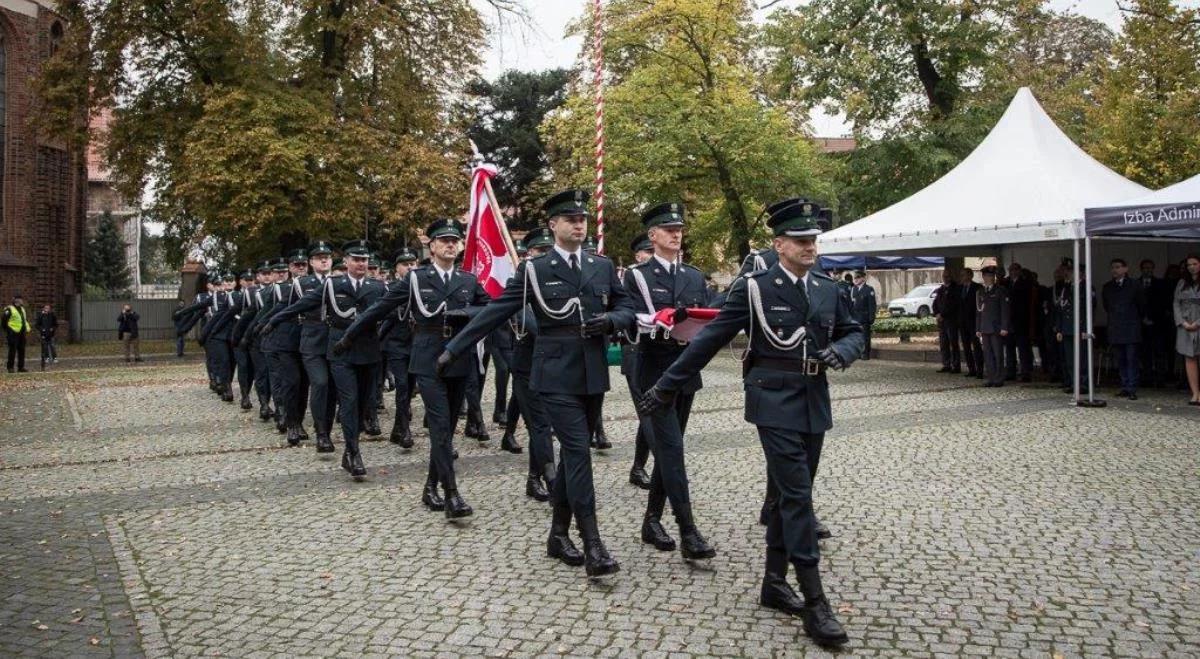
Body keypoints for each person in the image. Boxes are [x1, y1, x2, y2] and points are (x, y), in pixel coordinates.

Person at [636, 198, 862, 648]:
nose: (809, 246)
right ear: (779, 244)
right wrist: (665, 386)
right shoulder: (755, 287)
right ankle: (816, 602)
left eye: (812, 239)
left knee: (786, 494)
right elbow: (709, 339)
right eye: (800, 240)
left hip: (814, 398)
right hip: (771, 397)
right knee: (797, 495)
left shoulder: (827, 286)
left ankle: (774, 582)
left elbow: (855, 330)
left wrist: (845, 350)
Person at [438, 188, 637, 578]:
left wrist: (613, 321)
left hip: (593, 374)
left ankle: (557, 534)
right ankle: (593, 542)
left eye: (582, 220)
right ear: (554, 225)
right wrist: (453, 349)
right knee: (578, 452)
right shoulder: (534, 270)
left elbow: (627, 306)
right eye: (571, 220)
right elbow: (495, 311)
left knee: (572, 460)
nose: (579, 225)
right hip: (553, 375)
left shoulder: (601, 266)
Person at [341, 221, 491, 515]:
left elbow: (489, 308)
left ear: (460, 246)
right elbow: (380, 308)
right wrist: (350, 335)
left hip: (458, 357)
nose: (450, 244)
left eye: (454, 240)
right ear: (432, 246)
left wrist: (465, 312)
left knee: (447, 428)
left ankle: (429, 488)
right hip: (427, 358)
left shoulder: (468, 280)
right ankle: (451, 494)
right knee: (439, 425)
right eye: (443, 240)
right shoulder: (415, 279)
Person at [622, 202, 718, 560]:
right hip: (653, 367)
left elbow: (707, 315)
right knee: (672, 449)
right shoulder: (637, 276)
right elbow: (630, 317)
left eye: (679, 228)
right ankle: (688, 530)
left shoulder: (693, 276)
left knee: (668, 450)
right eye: (668, 229)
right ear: (653, 236)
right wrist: (659, 318)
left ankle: (651, 520)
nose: (676, 234)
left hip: (686, 367)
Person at [268, 240, 386, 478]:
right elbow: (303, 303)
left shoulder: (377, 287)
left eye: (364, 260)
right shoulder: (334, 285)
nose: (361, 263)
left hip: (368, 351)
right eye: (356, 259)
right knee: (347, 399)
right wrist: (274, 320)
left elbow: (393, 310)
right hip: (339, 349)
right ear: (347, 262)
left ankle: (348, 449)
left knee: (363, 402)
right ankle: (352, 451)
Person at [293, 241, 337, 453]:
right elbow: (290, 311)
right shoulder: (302, 284)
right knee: (319, 383)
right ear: (311, 262)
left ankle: (326, 431)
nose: (324, 259)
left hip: (336, 342)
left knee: (332, 389)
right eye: (319, 257)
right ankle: (321, 433)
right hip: (312, 342)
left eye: (327, 256)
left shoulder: (340, 281)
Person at [624, 232, 656, 489]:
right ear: (639, 256)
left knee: (652, 413)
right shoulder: (633, 278)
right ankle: (664, 466)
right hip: (636, 352)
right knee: (647, 412)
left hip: (660, 354)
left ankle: (638, 466)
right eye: (649, 252)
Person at [377, 247, 419, 449]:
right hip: (396, 343)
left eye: (413, 263)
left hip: (416, 344)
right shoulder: (390, 288)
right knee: (402, 386)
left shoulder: (422, 286)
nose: (410, 267)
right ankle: (404, 430)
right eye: (405, 264)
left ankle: (396, 428)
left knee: (409, 388)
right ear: (396, 269)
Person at [1102, 258, 1146, 400]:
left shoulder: (1134, 284)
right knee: (1120, 359)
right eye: (1113, 267)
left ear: (1125, 269)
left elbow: (1141, 305)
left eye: (1118, 267)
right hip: (1116, 327)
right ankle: (1124, 385)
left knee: (1131, 358)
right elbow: (1107, 306)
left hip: (1131, 326)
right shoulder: (1107, 287)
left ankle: (1132, 387)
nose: (1115, 270)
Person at [1054, 263, 1092, 394]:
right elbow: (1060, 309)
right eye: (1069, 272)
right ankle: (1073, 382)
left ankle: (1084, 384)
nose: (1068, 274)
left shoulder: (1086, 287)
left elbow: (1089, 309)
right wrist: (1059, 329)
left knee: (1082, 358)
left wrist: (1085, 328)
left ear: (1080, 273)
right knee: (1070, 359)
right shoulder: (1066, 287)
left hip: (1080, 328)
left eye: (1071, 272)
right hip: (1067, 328)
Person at [975, 266, 1010, 388]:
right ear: (983, 277)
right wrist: (978, 328)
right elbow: (979, 311)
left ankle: (999, 378)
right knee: (988, 355)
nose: (988, 278)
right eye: (986, 276)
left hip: (996, 327)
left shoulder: (1000, 291)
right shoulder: (980, 292)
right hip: (985, 327)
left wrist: (1004, 327)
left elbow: (1005, 310)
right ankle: (991, 377)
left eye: (991, 276)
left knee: (998, 354)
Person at [1137, 259, 1170, 387]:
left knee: (1159, 352)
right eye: (1145, 268)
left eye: (1150, 268)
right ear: (1141, 269)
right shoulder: (1136, 283)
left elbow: (1164, 304)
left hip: (1158, 324)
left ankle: (1160, 379)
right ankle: (1147, 378)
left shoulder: (1161, 284)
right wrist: (1142, 318)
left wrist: (1154, 319)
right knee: (1145, 353)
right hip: (1141, 324)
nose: (1148, 270)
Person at [1173, 255, 1200, 405]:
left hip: (1198, 322)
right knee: (1189, 358)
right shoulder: (1182, 283)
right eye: (1189, 264)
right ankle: (1195, 392)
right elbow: (1176, 303)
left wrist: (1197, 323)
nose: (1192, 267)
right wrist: (1182, 322)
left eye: (1195, 264)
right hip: (1185, 324)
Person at [1004, 263, 1035, 381]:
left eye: (1015, 270)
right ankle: (1011, 372)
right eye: (1011, 270)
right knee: (1009, 348)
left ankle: (1025, 373)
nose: (1012, 272)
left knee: (1023, 349)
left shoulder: (1025, 283)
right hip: (1009, 321)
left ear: (1019, 271)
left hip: (1021, 321)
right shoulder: (1006, 283)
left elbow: (1025, 304)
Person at [932, 269, 961, 373]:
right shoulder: (941, 289)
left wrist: (943, 314)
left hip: (951, 320)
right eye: (944, 276)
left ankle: (956, 365)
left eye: (947, 276)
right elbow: (935, 303)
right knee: (943, 344)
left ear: (951, 277)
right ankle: (946, 364)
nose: (945, 278)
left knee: (953, 343)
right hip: (941, 321)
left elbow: (954, 305)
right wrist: (937, 314)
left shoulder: (956, 288)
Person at [957, 268, 984, 378]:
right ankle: (971, 369)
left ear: (970, 276)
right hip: (963, 323)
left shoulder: (977, 288)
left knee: (976, 346)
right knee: (966, 347)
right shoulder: (959, 289)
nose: (962, 277)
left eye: (964, 275)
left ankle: (980, 370)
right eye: (961, 275)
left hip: (974, 322)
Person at [848, 271, 876, 360]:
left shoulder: (869, 289)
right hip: (855, 318)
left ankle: (865, 353)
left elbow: (872, 305)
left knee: (865, 337)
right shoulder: (853, 289)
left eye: (858, 277)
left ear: (863, 278)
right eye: (855, 278)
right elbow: (851, 304)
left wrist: (871, 317)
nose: (856, 280)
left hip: (864, 318)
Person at [3, 294, 32, 373]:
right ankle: (10, 367)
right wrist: (9, 331)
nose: (22, 300)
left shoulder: (22, 309)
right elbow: (4, 321)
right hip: (13, 333)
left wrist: (27, 328)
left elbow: (23, 320)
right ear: (17, 300)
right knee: (12, 350)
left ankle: (21, 367)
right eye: (20, 299)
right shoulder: (9, 309)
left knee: (22, 350)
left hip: (21, 333)